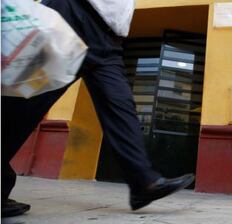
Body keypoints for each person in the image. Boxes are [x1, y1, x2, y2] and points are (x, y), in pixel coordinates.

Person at [1, 0, 194, 217]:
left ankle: (143, 182)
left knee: (120, 103)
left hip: (108, 37)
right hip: (70, 15)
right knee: (25, 106)